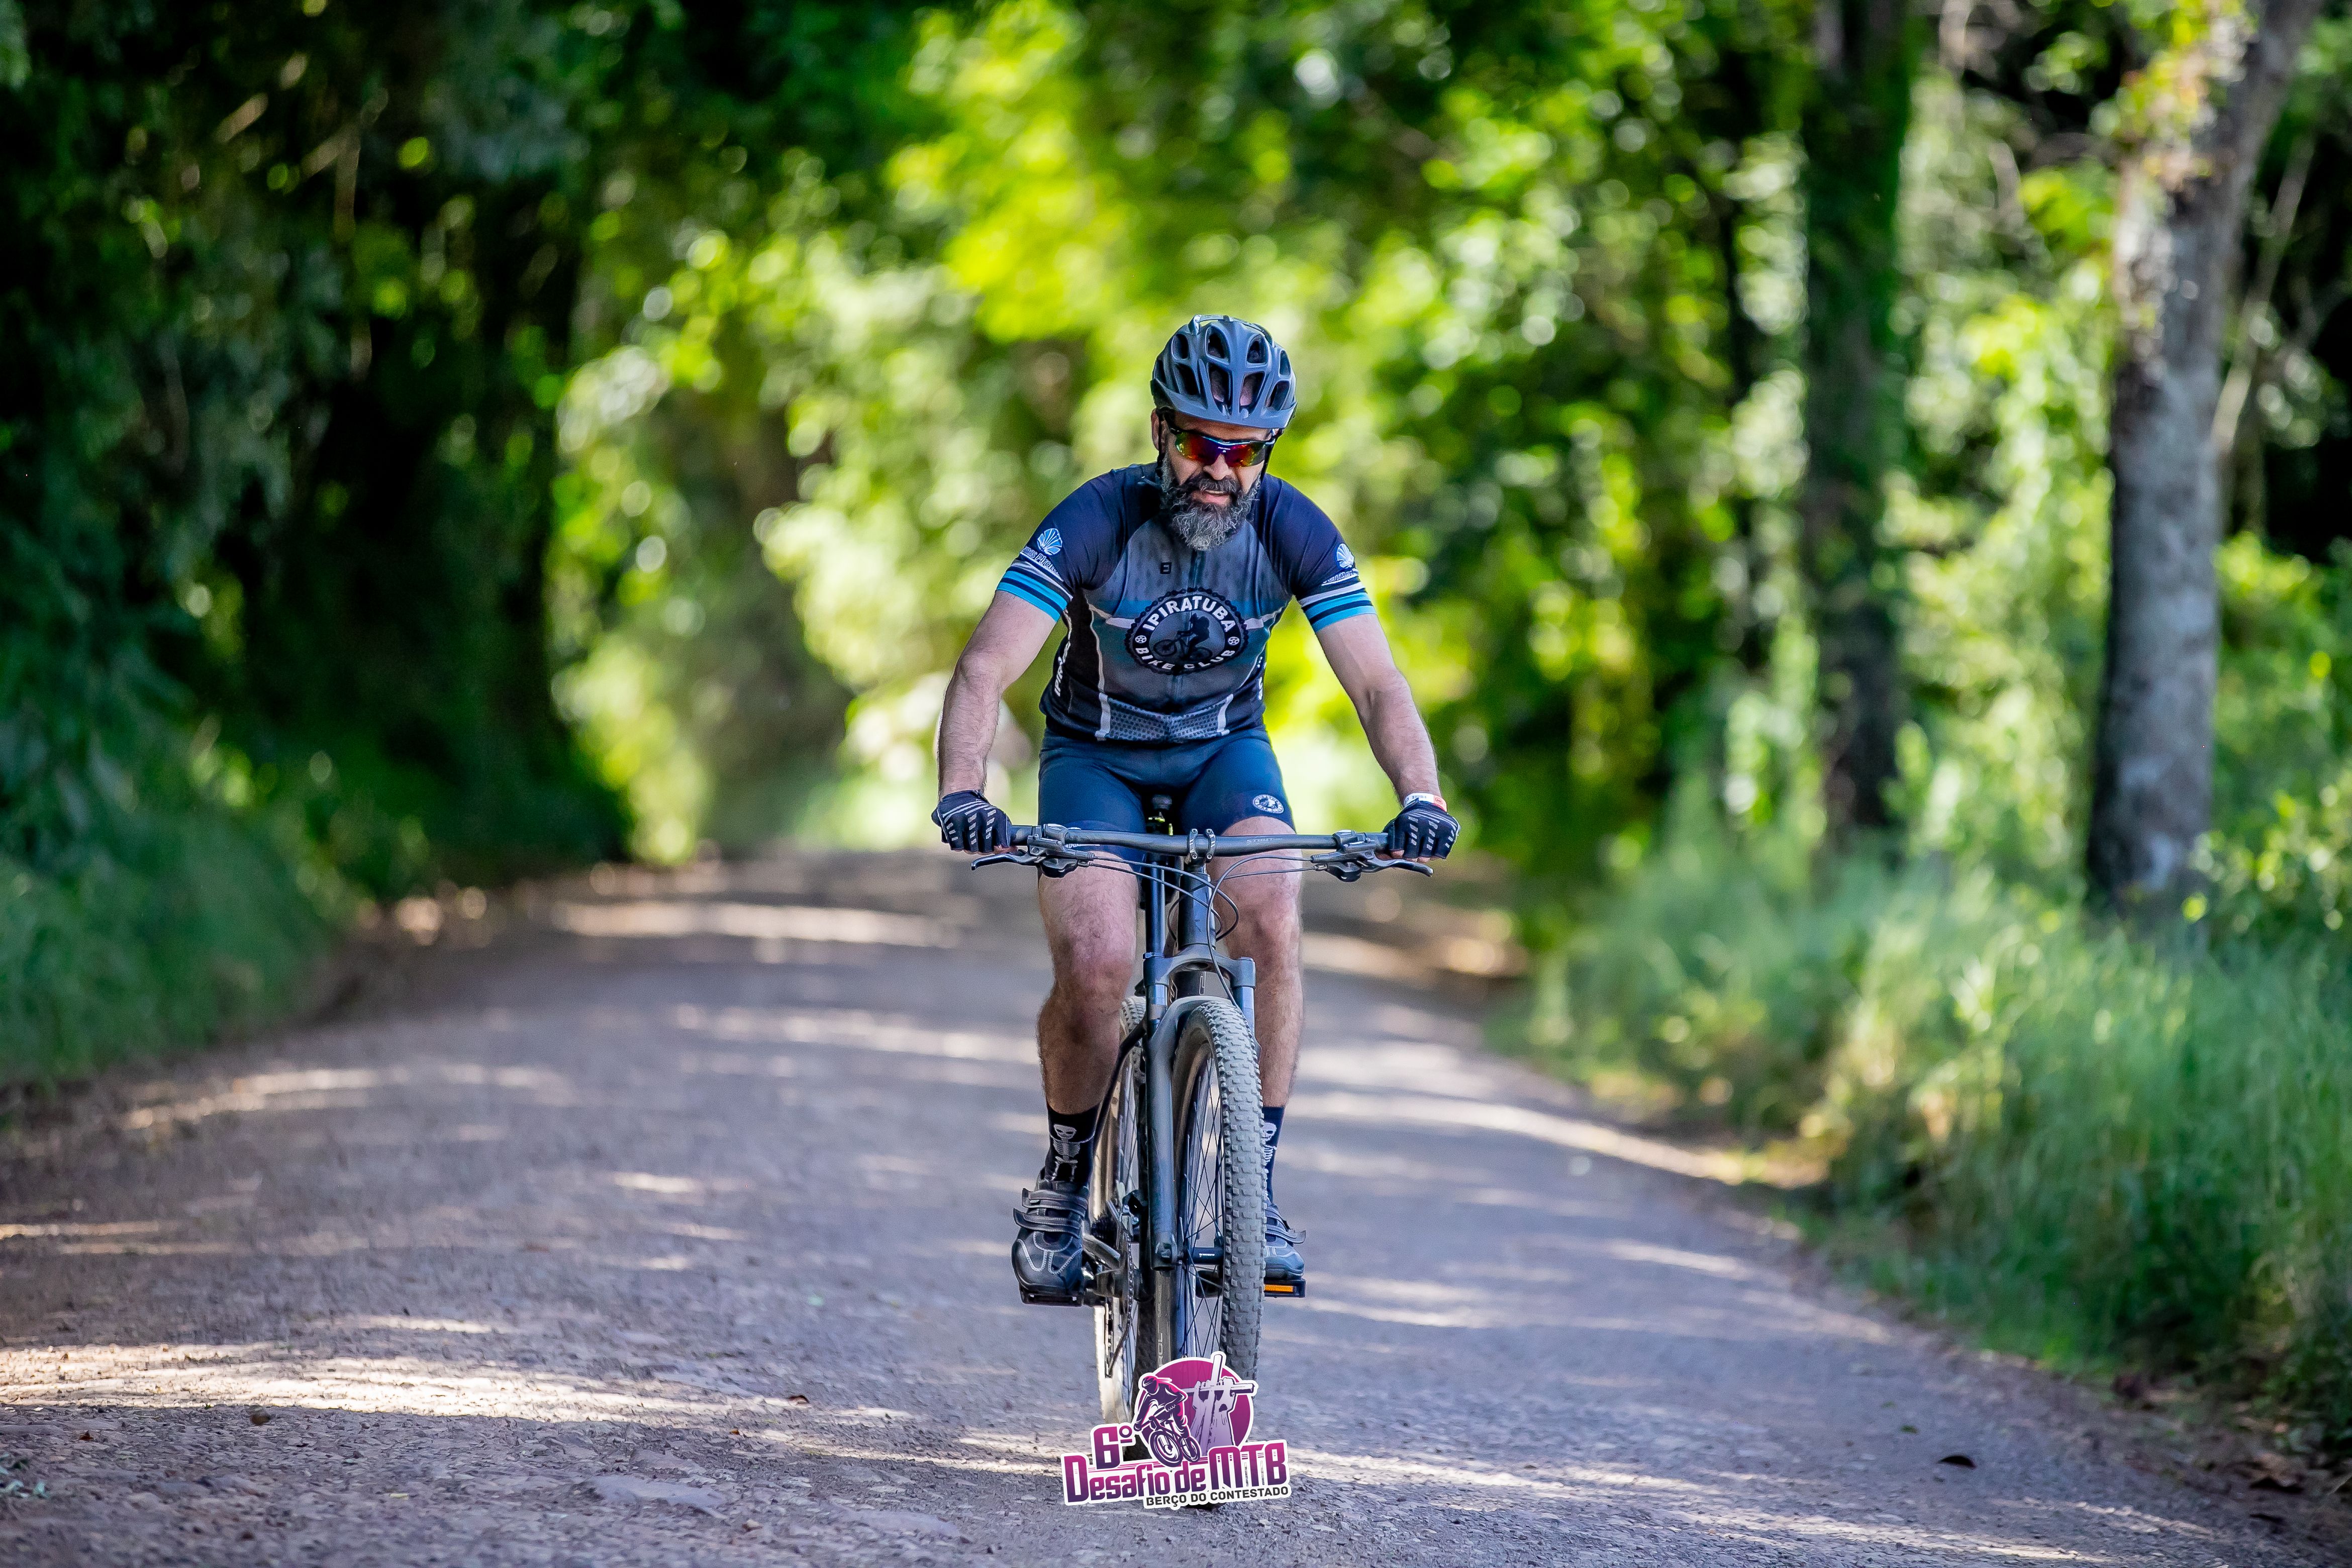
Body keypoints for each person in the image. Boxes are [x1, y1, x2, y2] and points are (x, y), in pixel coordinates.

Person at [931, 315, 1458, 1306]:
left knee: (1273, 914)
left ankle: (1255, 1194)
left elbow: (1378, 684)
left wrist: (1420, 794)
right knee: (1099, 962)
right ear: (1160, 432)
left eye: (1245, 451)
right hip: (1096, 759)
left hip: (1223, 755)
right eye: (1200, 443)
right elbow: (984, 667)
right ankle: (1063, 1187)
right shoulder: (1097, 517)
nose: (1220, 470)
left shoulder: (1295, 529)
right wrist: (965, 789)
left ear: (1269, 453)